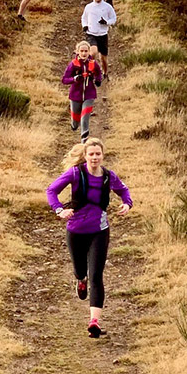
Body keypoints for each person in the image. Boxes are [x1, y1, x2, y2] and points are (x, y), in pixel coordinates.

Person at [46, 138, 132, 338]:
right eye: (91, 154)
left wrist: (127, 204)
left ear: (103, 156)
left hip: (99, 231)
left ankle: (94, 321)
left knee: (97, 276)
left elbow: (124, 191)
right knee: (80, 270)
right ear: (85, 156)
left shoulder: (108, 177)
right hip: (75, 230)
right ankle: (80, 279)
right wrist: (59, 210)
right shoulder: (75, 173)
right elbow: (51, 190)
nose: (94, 157)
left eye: (98, 154)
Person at [62, 40, 103, 143]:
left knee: (85, 116)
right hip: (75, 95)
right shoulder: (73, 64)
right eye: (82, 51)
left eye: (86, 51)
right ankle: (74, 124)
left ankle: (84, 141)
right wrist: (75, 79)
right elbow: (64, 79)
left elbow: (99, 73)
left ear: (89, 51)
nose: (84, 53)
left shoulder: (93, 63)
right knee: (75, 122)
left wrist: (98, 80)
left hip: (89, 95)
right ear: (77, 52)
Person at [81, 0, 116, 79]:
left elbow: (114, 18)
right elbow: (83, 18)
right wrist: (84, 25)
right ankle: (90, 72)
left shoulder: (108, 7)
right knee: (93, 53)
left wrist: (106, 22)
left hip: (103, 34)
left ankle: (105, 73)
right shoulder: (88, 7)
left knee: (103, 58)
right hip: (91, 33)